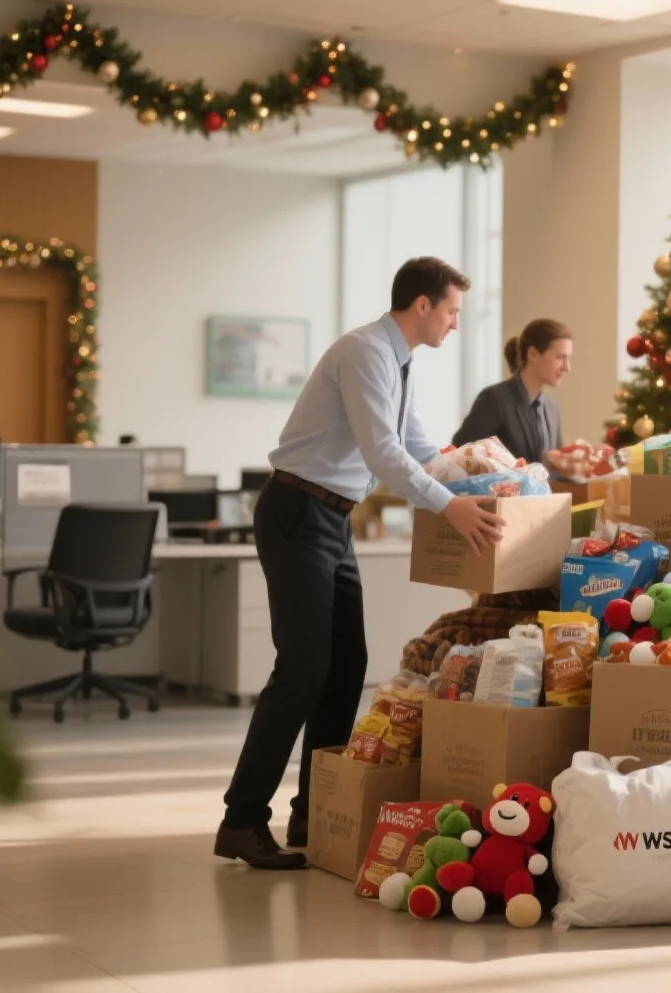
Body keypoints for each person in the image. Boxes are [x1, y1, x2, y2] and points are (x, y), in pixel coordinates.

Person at [214, 257, 506, 870]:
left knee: (346, 666)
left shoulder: (398, 361)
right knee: (303, 668)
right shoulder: (365, 352)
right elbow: (385, 453)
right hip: (299, 511)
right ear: (422, 305)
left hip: (331, 517)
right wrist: (450, 506)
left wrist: (483, 469)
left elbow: (419, 446)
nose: (455, 323)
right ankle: (241, 819)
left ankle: (315, 809)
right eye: (452, 310)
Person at [452, 318, 571, 465]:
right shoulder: (494, 400)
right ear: (533, 354)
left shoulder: (552, 408)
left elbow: (551, 471)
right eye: (560, 357)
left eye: (568, 358)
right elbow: (459, 455)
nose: (567, 367)